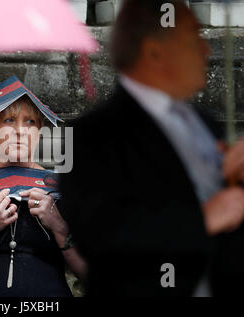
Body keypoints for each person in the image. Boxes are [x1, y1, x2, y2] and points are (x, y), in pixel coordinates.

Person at [60, 0, 244, 296]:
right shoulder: (88, 136)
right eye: (193, 38)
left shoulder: (206, 123)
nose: (206, 50)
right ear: (155, 52)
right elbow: (103, 236)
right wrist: (203, 219)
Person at [0, 77, 87, 296]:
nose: (20, 131)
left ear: (40, 131)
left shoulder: (63, 188)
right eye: (9, 120)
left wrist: (60, 227)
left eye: (30, 122)